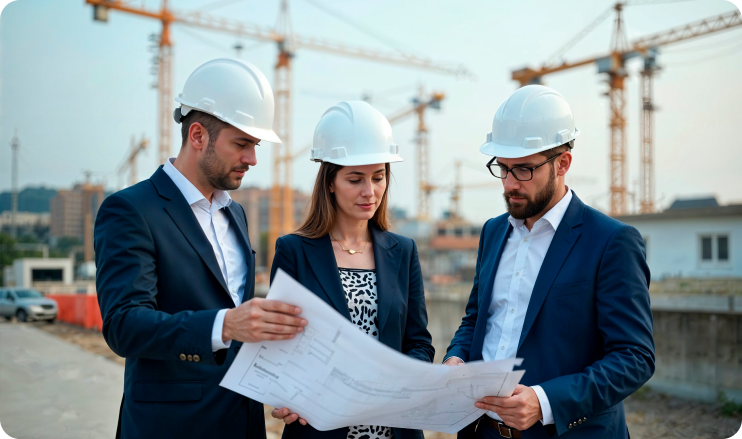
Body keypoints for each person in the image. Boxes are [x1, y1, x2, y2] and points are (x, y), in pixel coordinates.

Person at [94, 58, 308, 439]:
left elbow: (244, 332)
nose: (252, 159)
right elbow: (124, 326)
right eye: (242, 144)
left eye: (255, 145)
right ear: (197, 136)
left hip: (241, 422)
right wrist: (223, 324)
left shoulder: (236, 214)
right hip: (170, 428)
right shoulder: (130, 210)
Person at [443, 85, 655, 439]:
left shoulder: (611, 241)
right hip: (483, 431)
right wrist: (457, 359)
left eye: (524, 170)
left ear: (563, 163)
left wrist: (545, 401)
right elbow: (476, 318)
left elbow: (634, 357)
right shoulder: (493, 232)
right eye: (503, 168)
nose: (510, 184)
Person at [268, 101, 435, 439]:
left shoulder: (403, 251)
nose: (369, 192)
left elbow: (419, 342)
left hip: (394, 426)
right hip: (319, 426)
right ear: (330, 182)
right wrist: (286, 392)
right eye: (355, 179)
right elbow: (277, 343)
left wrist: (403, 377)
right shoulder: (294, 251)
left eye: (378, 177)